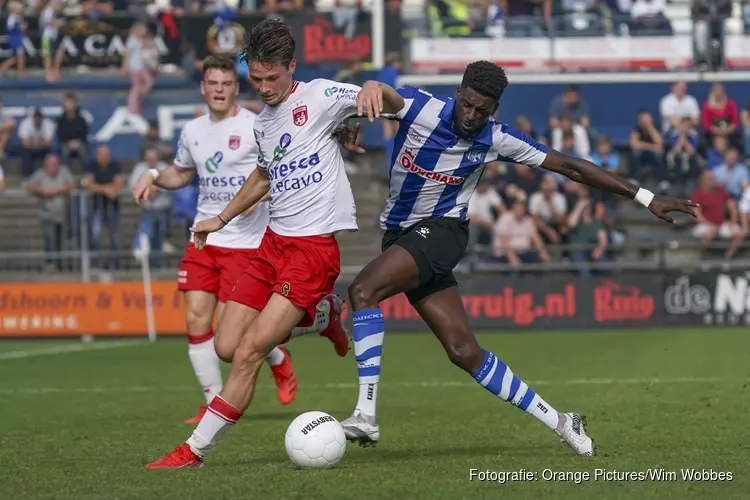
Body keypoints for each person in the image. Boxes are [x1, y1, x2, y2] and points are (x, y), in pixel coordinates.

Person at [337, 61, 698, 457]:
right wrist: (368, 91)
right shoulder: (420, 107)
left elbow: (571, 167)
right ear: (458, 94)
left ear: (494, 110)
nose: (472, 116)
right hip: (400, 236)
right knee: (463, 352)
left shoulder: (496, 138)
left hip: (443, 233)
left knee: (363, 290)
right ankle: (563, 421)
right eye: (468, 105)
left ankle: (365, 415)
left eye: (483, 110)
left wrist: (645, 197)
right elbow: (383, 98)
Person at [145, 19, 362, 469]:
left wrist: (372, 97)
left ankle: (194, 450)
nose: (262, 87)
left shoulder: (319, 95)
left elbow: (367, 99)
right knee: (225, 345)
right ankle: (322, 317)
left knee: (248, 353)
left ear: (291, 68)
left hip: (312, 250)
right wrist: (219, 218)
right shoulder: (264, 123)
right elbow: (263, 175)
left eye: (271, 78)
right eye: (256, 79)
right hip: (270, 244)